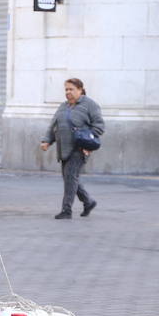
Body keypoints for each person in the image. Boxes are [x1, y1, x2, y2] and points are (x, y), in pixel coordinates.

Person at [40, 77, 105, 219]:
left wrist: (89, 142)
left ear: (80, 90)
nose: (68, 92)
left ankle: (66, 210)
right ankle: (88, 202)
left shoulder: (90, 105)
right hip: (63, 148)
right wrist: (47, 140)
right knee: (70, 178)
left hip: (80, 148)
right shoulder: (63, 106)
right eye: (66, 89)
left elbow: (99, 126)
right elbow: (53, 125)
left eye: (71, 89)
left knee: (70, 177)